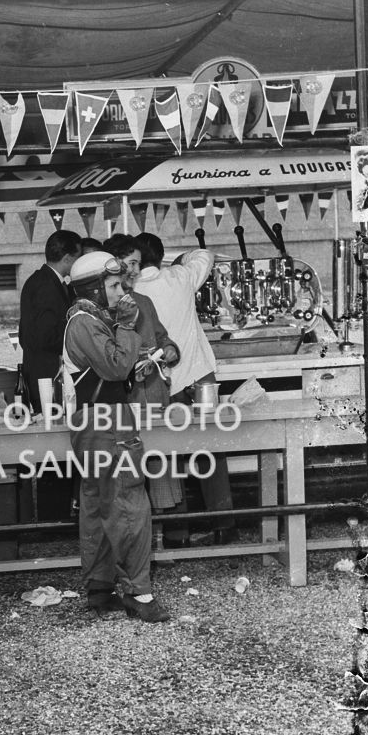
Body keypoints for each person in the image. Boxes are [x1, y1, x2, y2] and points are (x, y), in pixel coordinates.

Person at [62, 250, 169, 623]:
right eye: (112, 285)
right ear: (94, 289)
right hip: (107, 423)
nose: (121, 292)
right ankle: (139, 593)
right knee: (128, 504)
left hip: (94, 421)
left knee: (99, 505)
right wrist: (126, 326)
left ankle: (100, 586)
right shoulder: (85, 322)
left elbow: (111, 368)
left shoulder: (86, 320)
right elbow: (116, 365)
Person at [133, 232, 235, 545]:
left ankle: (177, 533)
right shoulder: (180, 276)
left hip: (161, 383)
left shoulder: (132, 291)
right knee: (211, 450)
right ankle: (224, 526)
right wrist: (179, 259)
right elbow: (205, 254)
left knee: (167, 456)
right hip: (199, 377)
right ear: (160, 257)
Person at [103, 234, 185, 546]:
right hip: (127, 402)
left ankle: (163, 540)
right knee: (129, 474)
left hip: (154, 396)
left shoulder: (144, 302)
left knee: (162, 468)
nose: (137, 270)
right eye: (132, 263)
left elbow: (162, 336)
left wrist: (170, 348)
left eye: (137, 263)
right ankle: (136, 544)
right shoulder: (103, 308)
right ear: (114, 265)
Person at [17, 229, 82, 410]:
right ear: (67, 258)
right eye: (78, 258)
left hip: (44, 372)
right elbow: (45, 335)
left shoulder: (45, 280)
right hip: (47, 376)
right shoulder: (46, 285)